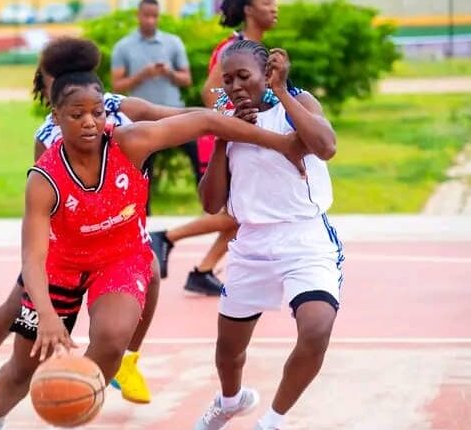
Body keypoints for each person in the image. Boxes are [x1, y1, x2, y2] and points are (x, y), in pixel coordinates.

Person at [0, 36, 306, 430]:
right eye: (77, 115)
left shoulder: (130, 142)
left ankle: (74, 400)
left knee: (113, 339)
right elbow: (33, 257)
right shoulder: (44, 177)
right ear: (56, 118)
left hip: (120, 257)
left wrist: (283, 144)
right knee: (22, 367)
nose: (90, 122)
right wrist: (45, 314)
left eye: (97, 112)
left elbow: (206, 122)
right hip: (61, 265)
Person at [0, 37, 210, 410]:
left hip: (120, 222)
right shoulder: (49, 136)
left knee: (151, 271)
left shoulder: (116, 106)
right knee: (18, 302)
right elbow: (47, 193)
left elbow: (167, 114)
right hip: (68, 239)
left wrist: (220, 117)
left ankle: (127, 360)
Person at [194, 40, 342, 430]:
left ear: (267, 74)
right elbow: (211, 203)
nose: (236, 86)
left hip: (304, 238)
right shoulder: (225, 118)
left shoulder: (298, 102)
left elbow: (326, 146)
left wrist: (282, 92)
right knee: (229, 351)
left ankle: (272, 421)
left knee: (316, 329)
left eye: (244, 76)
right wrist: (225, 135)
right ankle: (230, 401)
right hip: (251, 244)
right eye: (228, 80)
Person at [150, 0, 286, 296]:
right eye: (266, 2)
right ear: (249, 9)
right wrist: (233, 123)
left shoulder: (252, 47)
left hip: (242, 137)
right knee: (241, 212)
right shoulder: (234, 48)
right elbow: (210, 93)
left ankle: (203, 270)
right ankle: (167, 237)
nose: (274, 7)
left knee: (246, 212)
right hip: (223, 141)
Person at [111, 0, 200, 216]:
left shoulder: (173, 42)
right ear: (138, 15)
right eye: (146, 16)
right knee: (142, 169)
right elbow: (117, 85)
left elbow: (186, 79)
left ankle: (212, 209)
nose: (151, 20)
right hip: (141, 120)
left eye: (155, 16)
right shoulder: (124, 46)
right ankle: (142, 215)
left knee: (198, 159)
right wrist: (142, 75)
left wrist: (169, 72)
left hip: (174, 114)